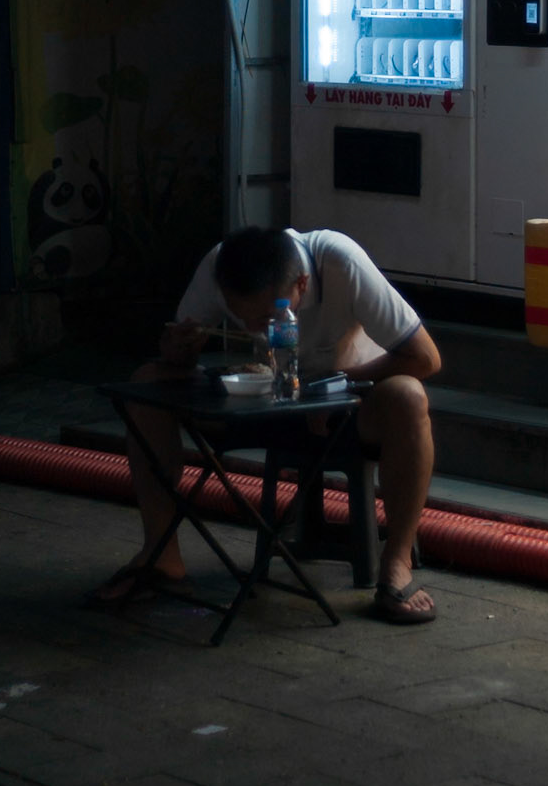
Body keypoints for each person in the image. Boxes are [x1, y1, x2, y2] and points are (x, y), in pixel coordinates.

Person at [88, 225, 441, 624]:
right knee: (147, 382)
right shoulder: (221, 268)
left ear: (301, 285)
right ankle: (162, 559)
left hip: (344, 407)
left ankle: (395, 566)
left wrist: (340, 386)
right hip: (262, 403)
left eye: (264, 318)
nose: (256, 329)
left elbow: (425, 358)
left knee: (409, 396)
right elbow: (180, 355)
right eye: (244, 320)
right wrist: (176, 350)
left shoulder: (340, 261)